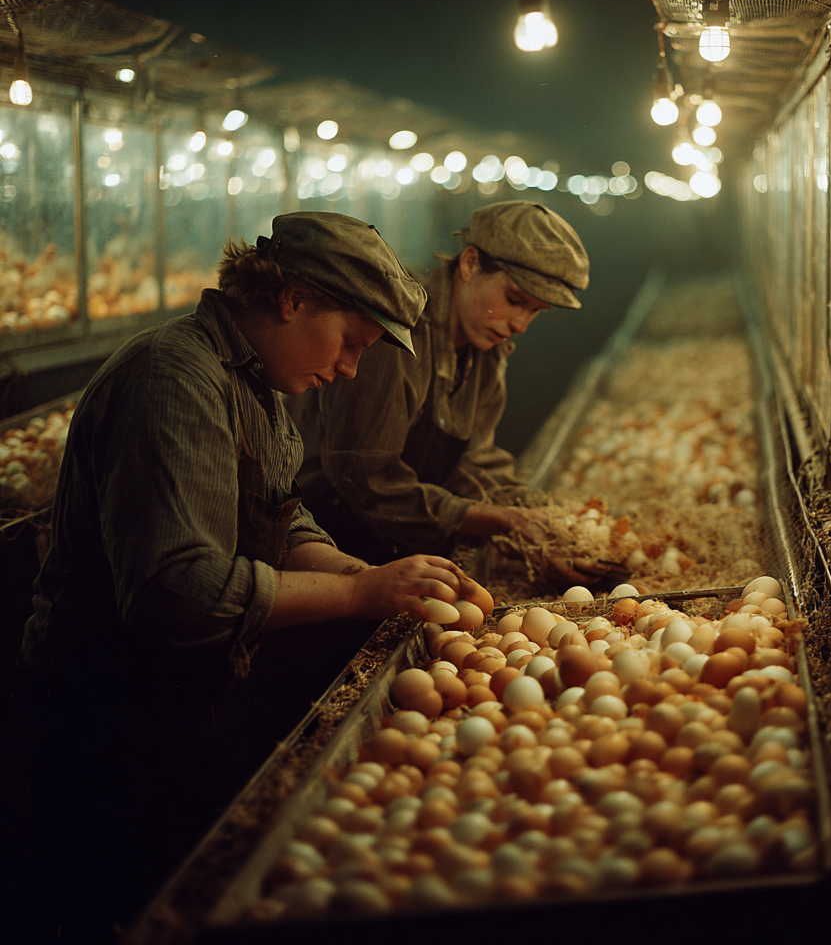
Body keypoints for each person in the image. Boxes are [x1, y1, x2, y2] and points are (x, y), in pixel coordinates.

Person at [16, 212, 487, 938]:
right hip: (109, 726)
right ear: (292, 299)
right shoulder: (171, 381)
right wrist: (359, 593)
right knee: (119, 909)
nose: (351, 369)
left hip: (189, 704)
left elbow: (283, 519)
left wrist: (372, 572)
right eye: (352, 342)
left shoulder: (256, 384)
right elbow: (178, 592)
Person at [290, 200, 608, 584]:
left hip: (399, 541)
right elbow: (367, 479)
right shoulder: (398, 333)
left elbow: (473, 459)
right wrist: (497, 520)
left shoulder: (485, 346)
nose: (521, 324)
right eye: (514, 300)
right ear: (470, 263)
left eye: (536, 311)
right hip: (327, 544)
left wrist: (547, 519)